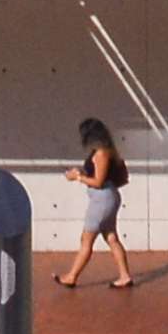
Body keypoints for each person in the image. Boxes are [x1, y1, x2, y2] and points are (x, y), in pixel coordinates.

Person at [57, 116, 135, 293]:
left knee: (86, 239)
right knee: (111, 238)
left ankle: (72, 276)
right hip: (106, 198)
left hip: (101, 199)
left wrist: (77, 177)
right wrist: (82, 172)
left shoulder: (101, 153)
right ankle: (125, 276)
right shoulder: (106, 151)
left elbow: (98, 181)